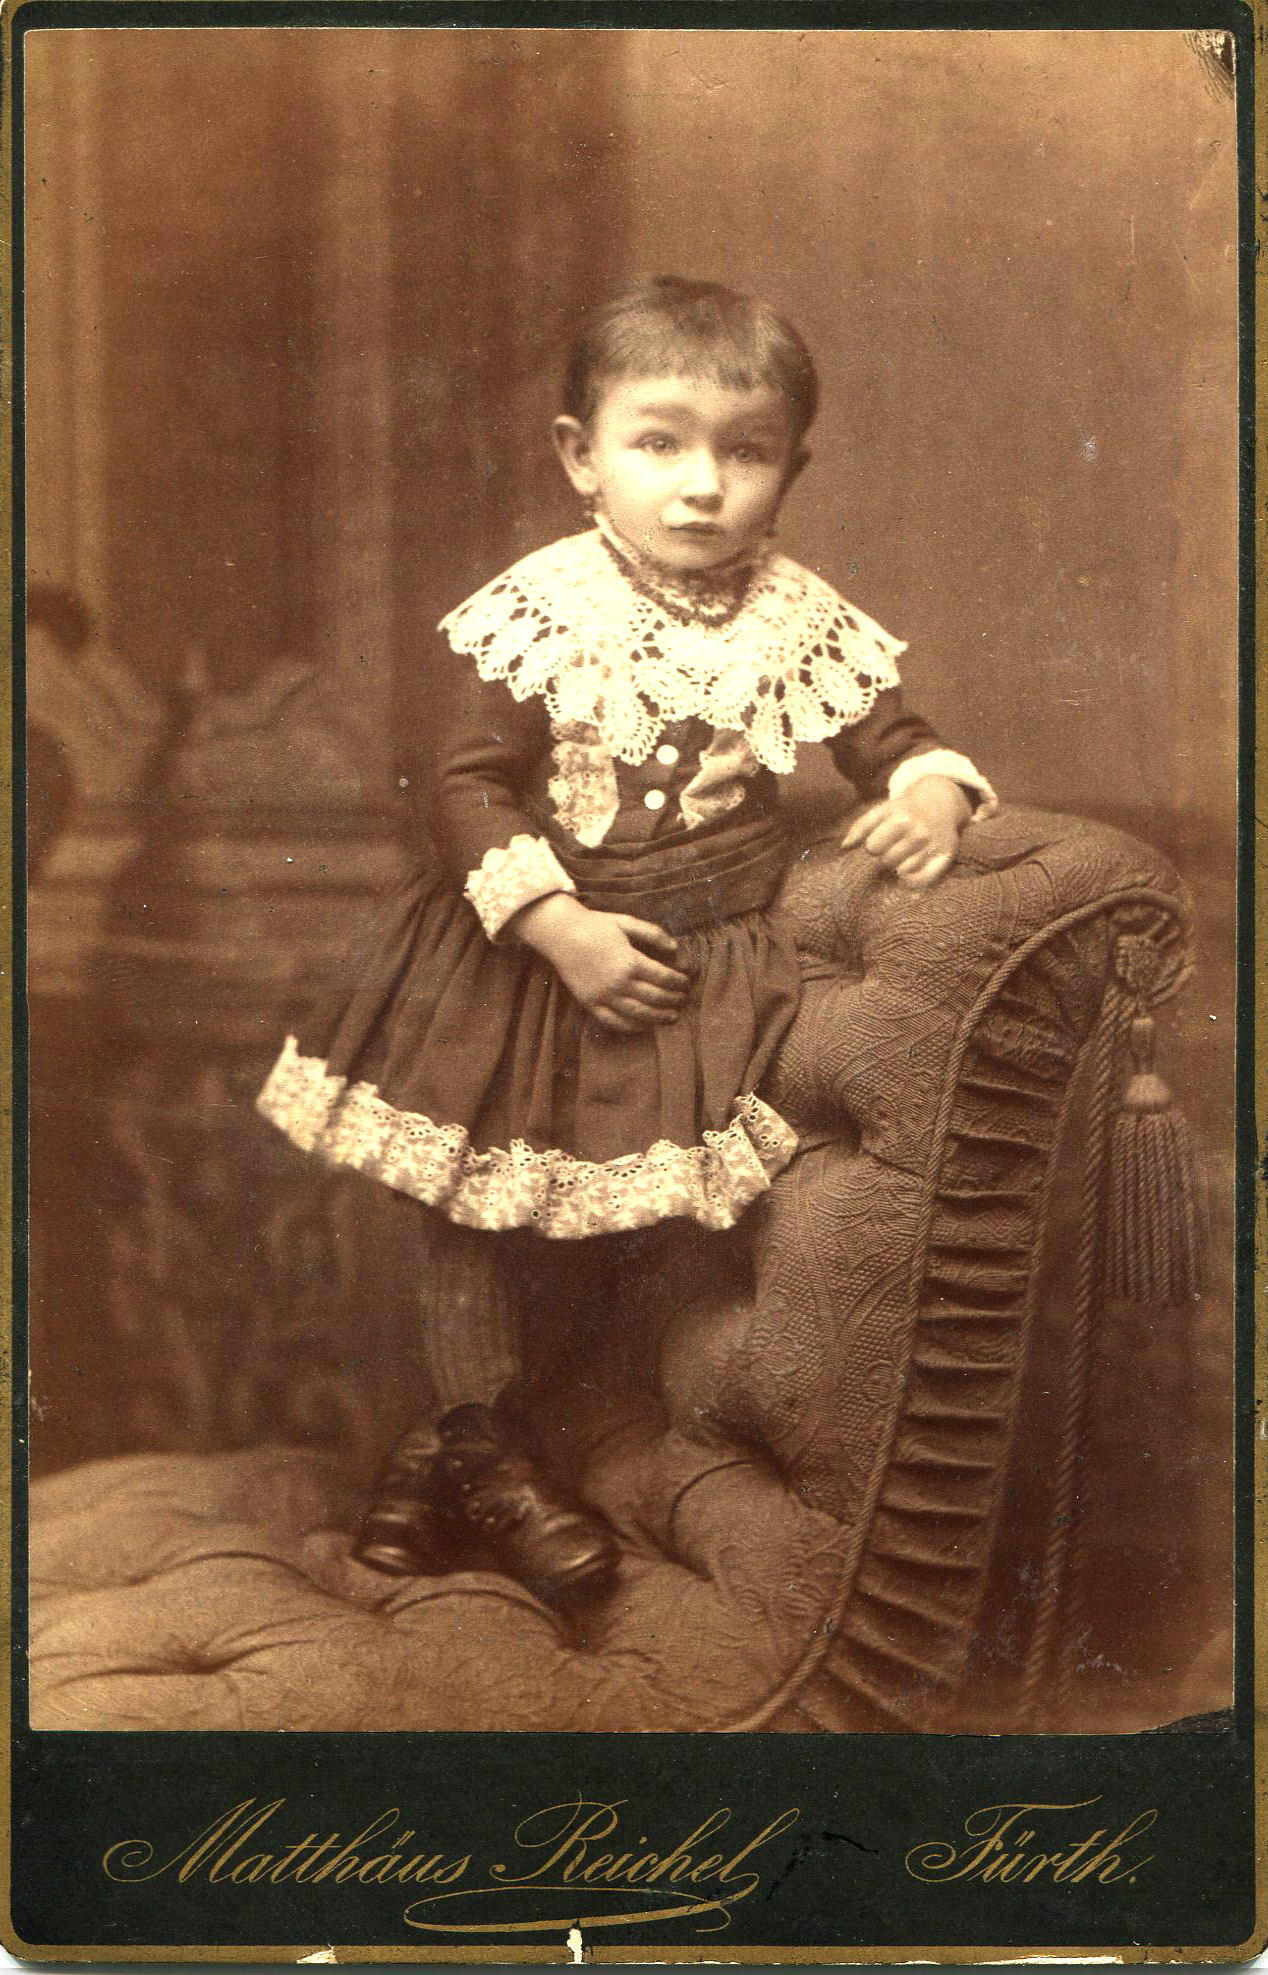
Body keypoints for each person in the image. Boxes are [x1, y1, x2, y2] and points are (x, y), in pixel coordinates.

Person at [257, 276, 997, 1610]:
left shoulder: (797, 617)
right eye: (659, 443)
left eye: (746, 451)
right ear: (580, 456)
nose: (702, 484)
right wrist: (557, 927)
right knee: (482, 1215)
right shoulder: (545, 607)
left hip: (700, 973)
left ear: (793, 469)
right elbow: (461, 785)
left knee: (623, 1246)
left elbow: (893, 737)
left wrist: (932, 792)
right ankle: (494, 1462)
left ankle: (457, 1466)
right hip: (529, 960)